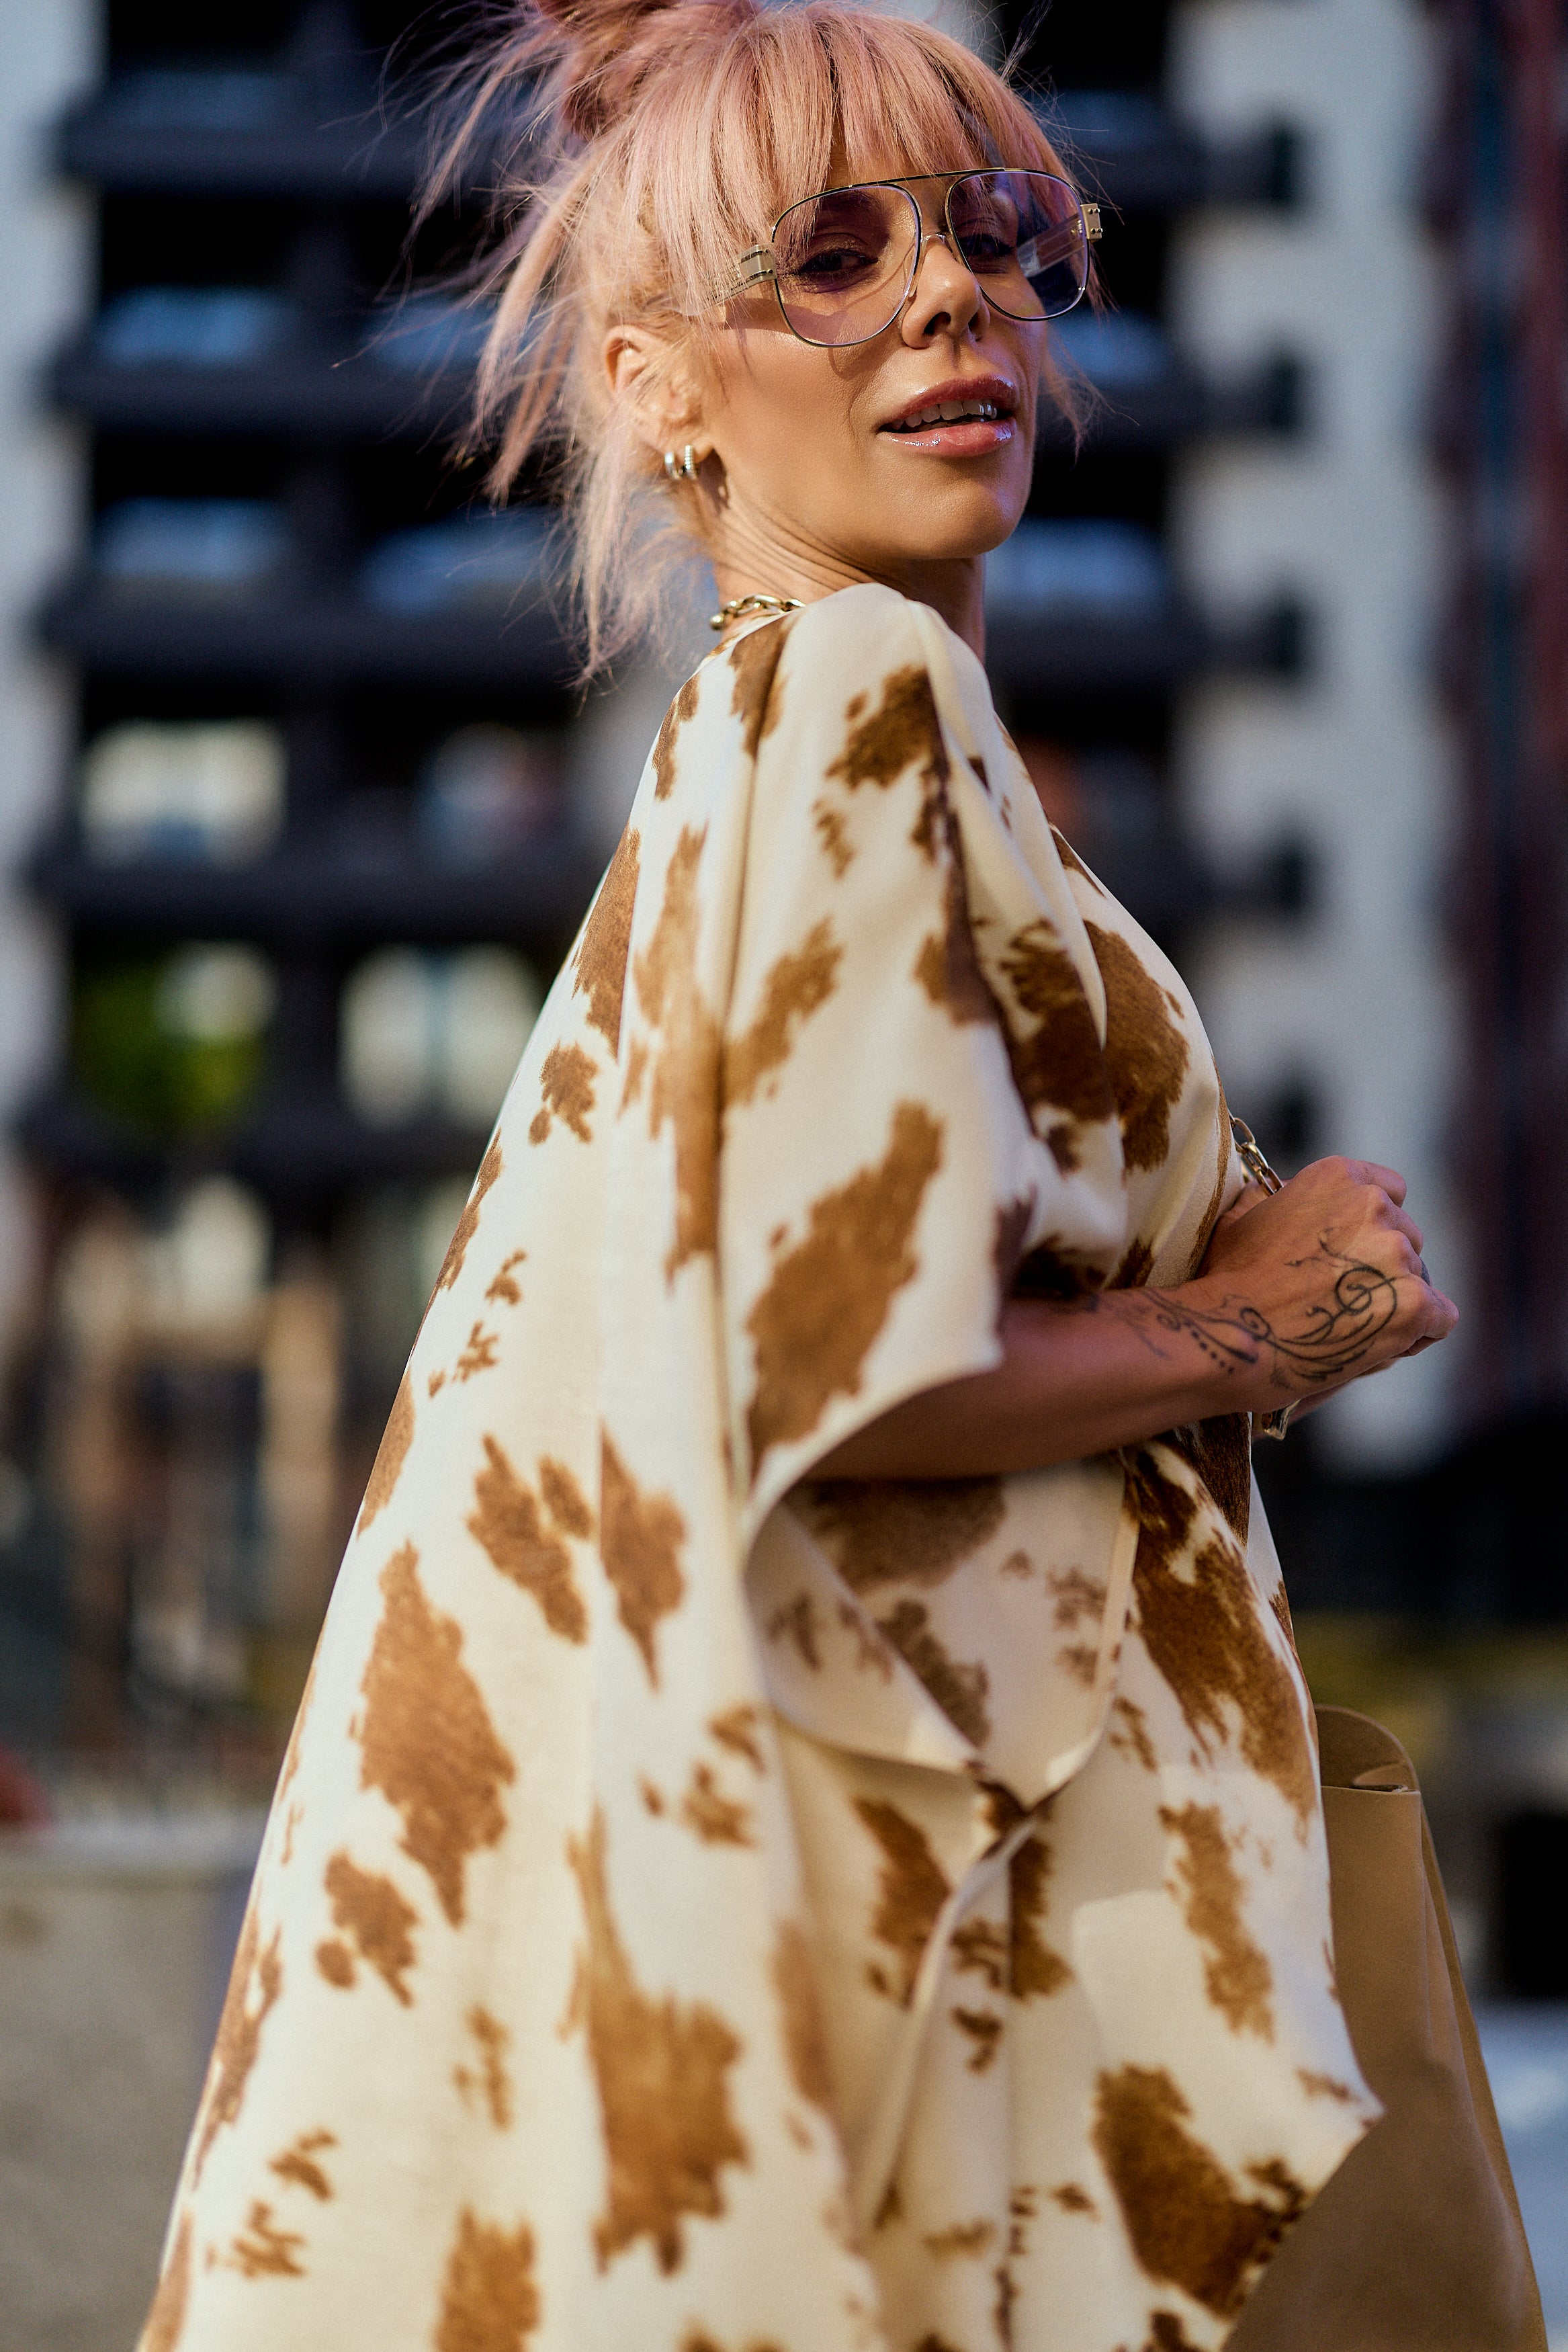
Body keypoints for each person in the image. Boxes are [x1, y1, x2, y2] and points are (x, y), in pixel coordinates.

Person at [139, 5, 1468, 2349]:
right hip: (941, 1991)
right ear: (658, 385)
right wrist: (1297, 1314)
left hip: (812, 1946)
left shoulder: (724, 776)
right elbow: (829, 1355)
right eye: (829, 256)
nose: (953, 300)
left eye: (999, 234)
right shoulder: (864, 691)